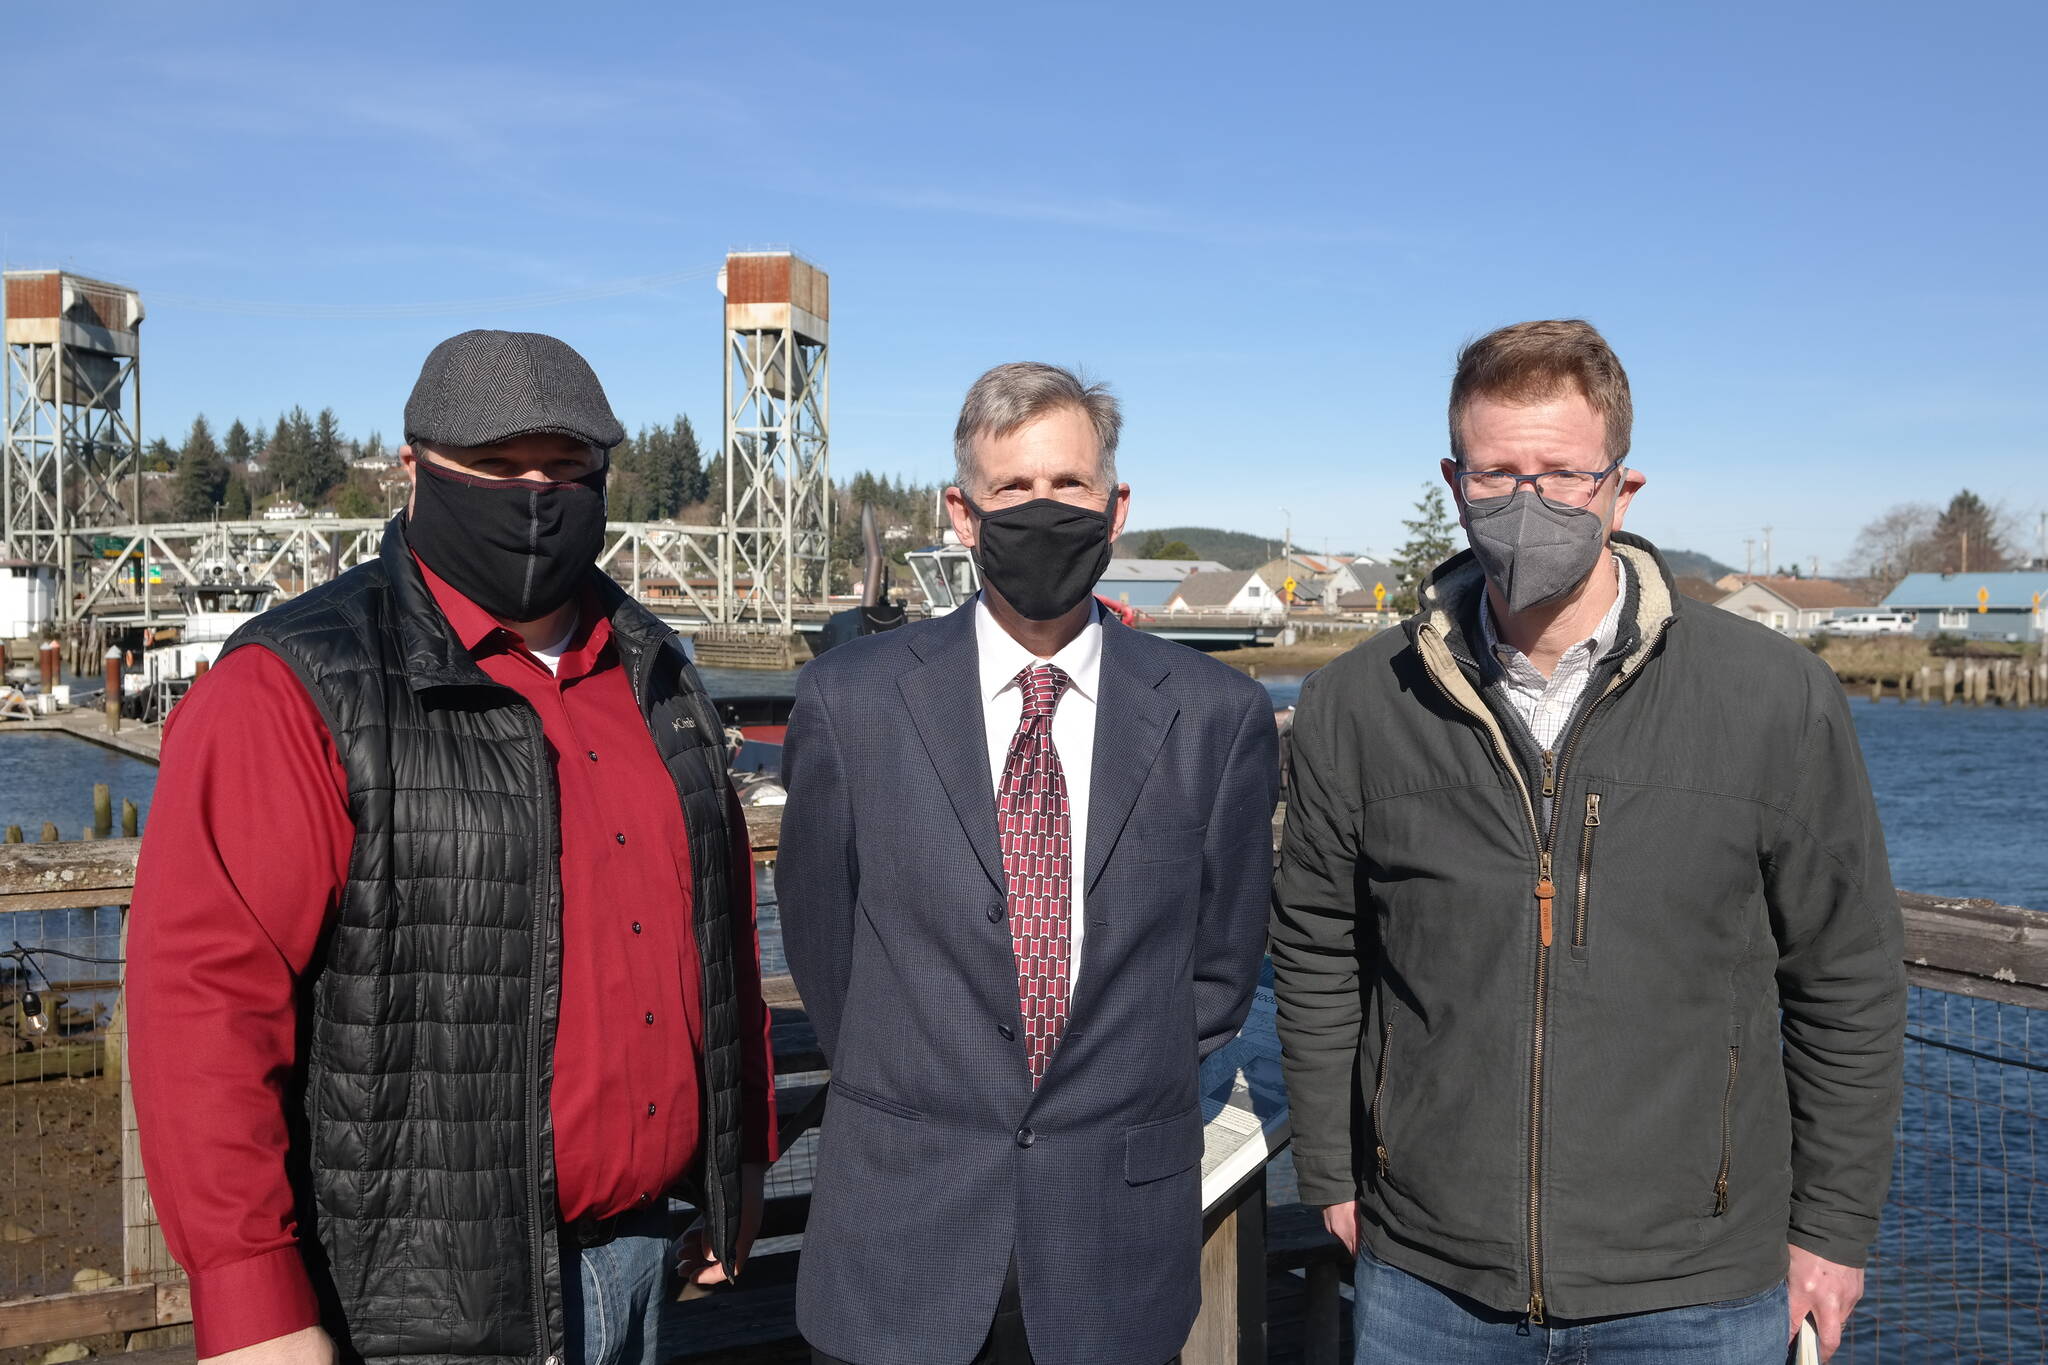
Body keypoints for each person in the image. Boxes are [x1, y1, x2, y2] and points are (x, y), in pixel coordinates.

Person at [128, 330, 778, 1365]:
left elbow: (720, 926)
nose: (535, 495)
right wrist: (253, 1304)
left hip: (648, 1264)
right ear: (414, 468)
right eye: (495, 467)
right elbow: (204, 1003)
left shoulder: (659, 673)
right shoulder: (292, 684)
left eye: (567, 470)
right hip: (413, 1303)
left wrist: (738, 1157)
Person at [1269, 320, 1905, 1362]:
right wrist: (1333, 1175)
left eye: (1562, 474)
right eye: (1496, 473)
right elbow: (1317, 948)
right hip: (1427, 1279)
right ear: (1452, 478)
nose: (1528, 504)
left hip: (1693, 1288)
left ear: (1621, 488)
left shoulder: (1769, 698)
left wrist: (1831, 1231)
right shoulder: (1357, 704)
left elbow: (1845, 978)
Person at [778, 362, 1278, 1365]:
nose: (1041, 511)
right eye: (1013, 490)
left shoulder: (1214, 716)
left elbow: (1220, 968)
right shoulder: (852, 700)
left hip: (1111, 1233)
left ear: (1113, 506)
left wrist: (1113, 1072)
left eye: (1067, 487)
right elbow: (824, 941)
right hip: (900, 1221)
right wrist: (926, 1069)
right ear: (962, 512)